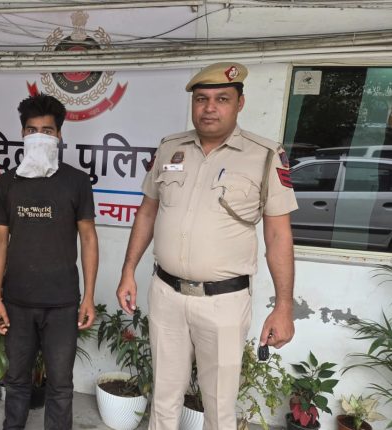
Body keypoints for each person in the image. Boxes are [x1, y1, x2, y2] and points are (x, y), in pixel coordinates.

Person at [115, 62, 297, 430]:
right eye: (201, 99)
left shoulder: (264, 155)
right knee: (164, 398)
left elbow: (278, 235)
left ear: (240, 104)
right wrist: (128, 270)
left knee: (219, 405)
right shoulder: (170, 148)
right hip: (166, 295)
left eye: (222, 99)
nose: (209, 108)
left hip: (223, 303)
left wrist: (283, 306)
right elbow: (147, 212)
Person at [0, 94, 99, 430]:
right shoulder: (6, 184)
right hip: (17, 301)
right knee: (16, 380)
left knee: (61, 385)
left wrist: (88, 296)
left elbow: (88, 238)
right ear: (22, 134)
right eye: (32, 130)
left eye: (47, 131)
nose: (39, 137)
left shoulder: (76, 181)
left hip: (62, 303)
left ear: (59, 135)